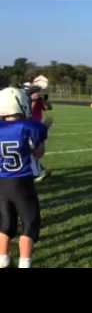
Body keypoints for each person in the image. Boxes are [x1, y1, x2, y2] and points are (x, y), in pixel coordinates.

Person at [0, 87, 48, 268]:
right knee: (29, 222)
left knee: (5, 222)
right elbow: (38, 153)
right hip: (22, 182)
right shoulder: (30, 126)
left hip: (1, 182)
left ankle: (2, 259)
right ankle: (24, 262)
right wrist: (42, 136)